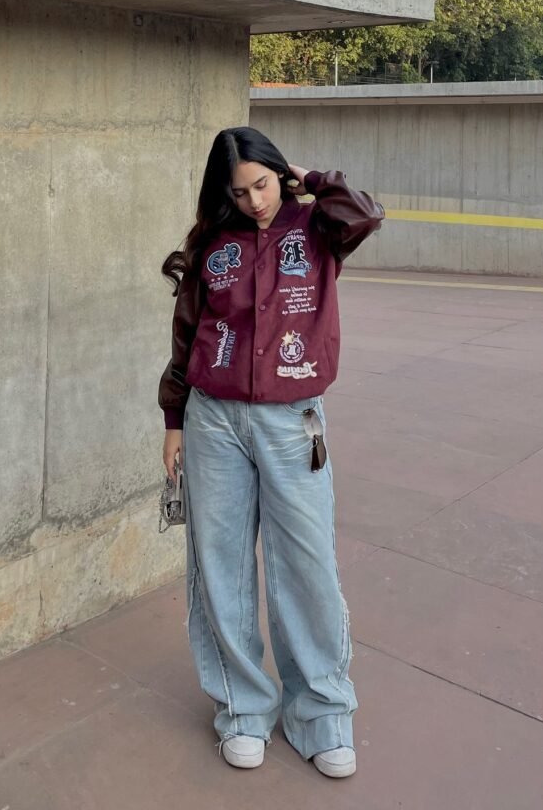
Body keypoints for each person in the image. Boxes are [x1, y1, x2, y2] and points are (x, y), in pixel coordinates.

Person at [159, 126, 384, 778]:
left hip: (292, 423)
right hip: (214, 421)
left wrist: (310, 182)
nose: (254, 200)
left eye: (262, 184)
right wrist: (173, 418)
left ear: (278, 175)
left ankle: (321, 715)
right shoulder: (214, 245)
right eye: (240, 190)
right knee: (220, 565)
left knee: (306, 567)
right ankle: (241, 709)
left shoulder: (317, 229)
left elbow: (366, 214)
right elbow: (186, 335)